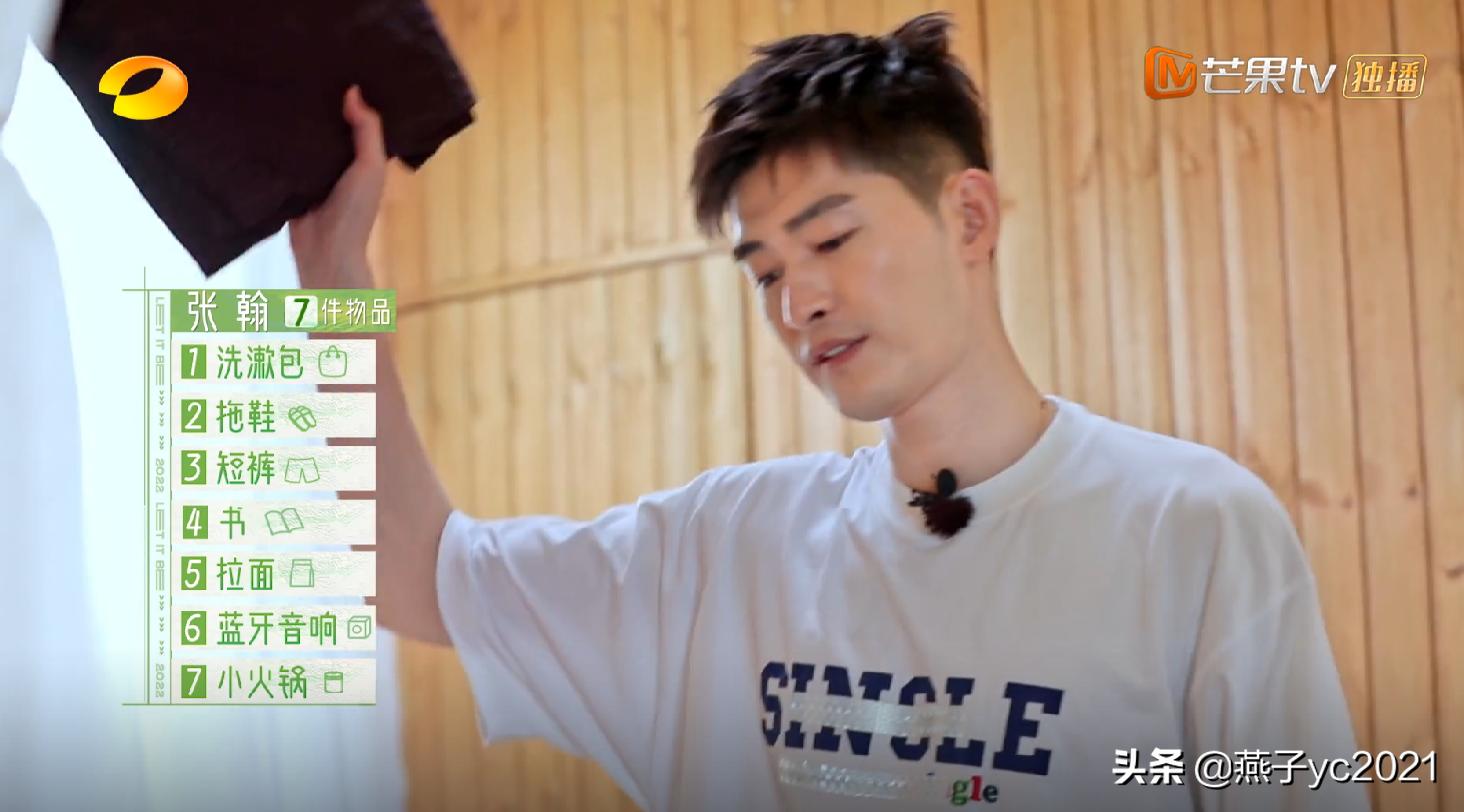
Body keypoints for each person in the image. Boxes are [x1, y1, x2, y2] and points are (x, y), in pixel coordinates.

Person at [290, 13, 1369, 812]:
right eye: (765, 270)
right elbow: (413, 570)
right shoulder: (722, 548)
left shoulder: (1190, 524)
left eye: (832, 239)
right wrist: (335, 273)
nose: (796, 301)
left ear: (970, 217)